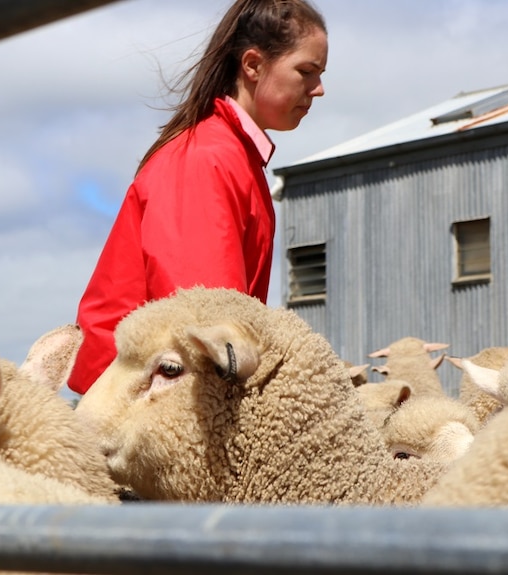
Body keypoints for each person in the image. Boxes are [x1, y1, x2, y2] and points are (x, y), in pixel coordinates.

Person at [67, 0, 328, 394]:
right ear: (253, 65)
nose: (318, 89)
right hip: (138, 405)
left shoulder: (232, 156)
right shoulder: (207, 158)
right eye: (306, 72)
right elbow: (204, 321)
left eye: (319, 74)